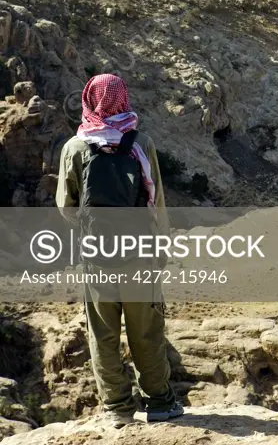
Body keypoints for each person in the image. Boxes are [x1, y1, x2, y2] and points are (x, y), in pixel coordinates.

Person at [57, 73, 183, 428]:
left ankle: (116, 408)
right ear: (122, 98)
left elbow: (66, 207)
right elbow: (156, 201)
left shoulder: (75, 147)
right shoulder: (142, 142)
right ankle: (159, 403)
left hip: (96, 258)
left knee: (103, 334)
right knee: (147, 331)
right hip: (140, 254)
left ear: (87, 99)